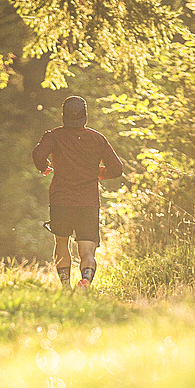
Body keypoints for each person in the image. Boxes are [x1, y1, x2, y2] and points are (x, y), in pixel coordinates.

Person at [32, 95, 125, 290]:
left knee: (61, 242)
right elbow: (117, 169)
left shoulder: (53, 136)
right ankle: (85, 282)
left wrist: (43, 167)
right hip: (88, 202)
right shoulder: (97, 139)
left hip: (61, 200)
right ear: (85, 115)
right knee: (87, 250)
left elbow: (38, 154)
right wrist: (99, 173)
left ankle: (66, 286)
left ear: (63, 115)